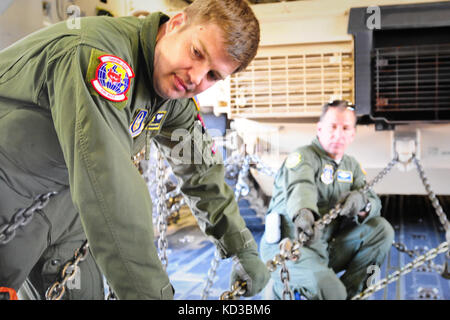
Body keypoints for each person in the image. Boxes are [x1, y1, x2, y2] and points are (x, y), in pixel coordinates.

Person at [0, 0, 269, 300]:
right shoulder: (100, 58)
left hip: (65, 210)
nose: (196, 77)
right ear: (178, 22)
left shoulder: (173, 93)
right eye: (197, 52)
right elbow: (109, 184)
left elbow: (200, 168)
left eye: (213, 76)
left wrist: (240, 245)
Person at [259, 100, 394, 300]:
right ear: (319, 128)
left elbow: (373, 201)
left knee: (382, 229)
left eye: (345, 128)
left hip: (325, 247)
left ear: (352, 134)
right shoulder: (302, 157)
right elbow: (300, 185)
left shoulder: (351, 165)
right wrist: (303, 212)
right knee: (332, 292)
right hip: (290, 249)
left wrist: (363, 204)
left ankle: (350, 294)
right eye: (332, 126)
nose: (338, 134)